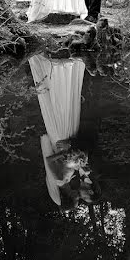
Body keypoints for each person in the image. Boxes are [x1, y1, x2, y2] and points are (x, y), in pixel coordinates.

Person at [29, 53, 95, 208]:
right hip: (67, 142)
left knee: (62, 110)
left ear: (68, 197)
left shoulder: (59, 180)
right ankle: (65, 72)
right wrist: (79, 162)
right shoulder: (67, 180)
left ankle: (59, 72)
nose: (77, 197)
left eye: (75, 199)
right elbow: (68, 164)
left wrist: (65, 154)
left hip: (60, 137)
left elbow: (50, 160)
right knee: (68, 109)